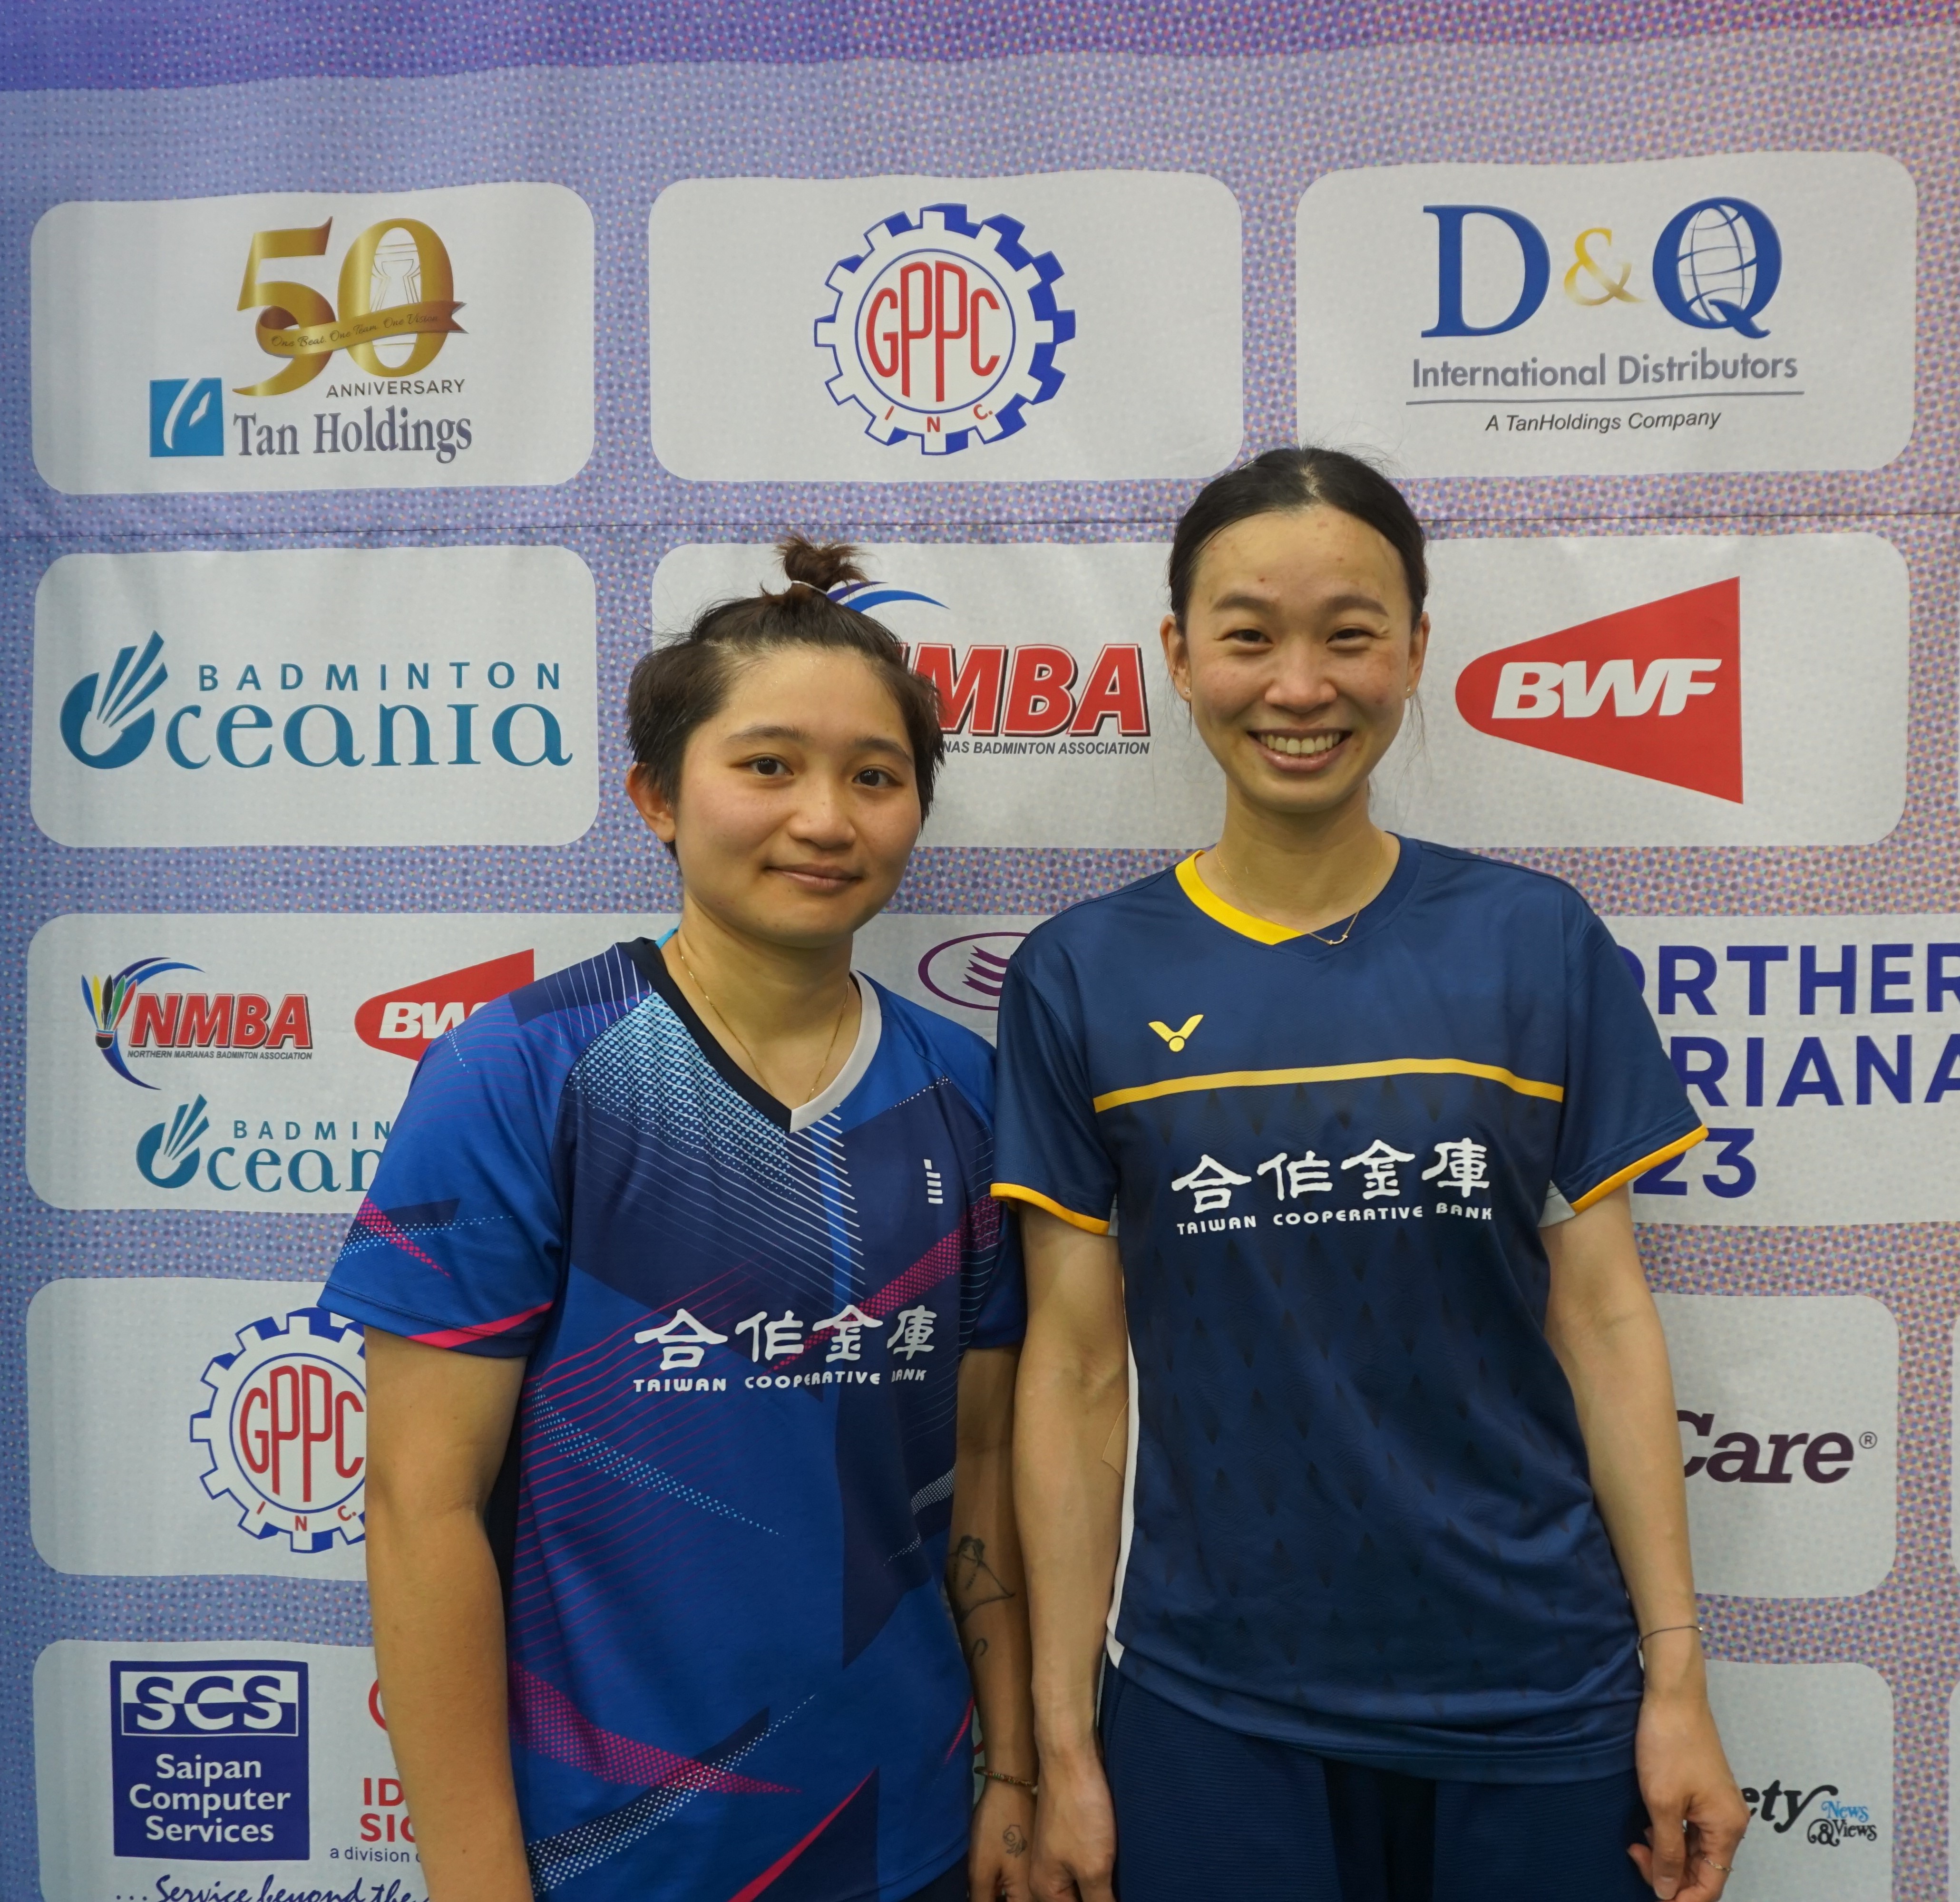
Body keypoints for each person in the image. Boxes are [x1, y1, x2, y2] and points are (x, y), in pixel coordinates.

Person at [991, 448, 1751, 1902]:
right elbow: (1075, 1370)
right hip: (1216, 1699)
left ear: (1413, 649)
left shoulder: (1534, 944)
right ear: (1176, 656)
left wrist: (1674, 1682)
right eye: (1247, 635)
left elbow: (1600, 1321)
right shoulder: (1081, 975)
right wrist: (1065, 1744)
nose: (1298, 685)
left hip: (1535, 1687)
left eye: (1348, 634)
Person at [324, 539, 1035, 1902]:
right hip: (614, 1853)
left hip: (912, 1831)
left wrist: (1006, 1770)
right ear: (656, 794)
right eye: (766, 765)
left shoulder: (968, 1094)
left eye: (873, 777)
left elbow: (984, 1468)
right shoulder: (527, 1072)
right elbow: (421, 1510)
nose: (824, 818)